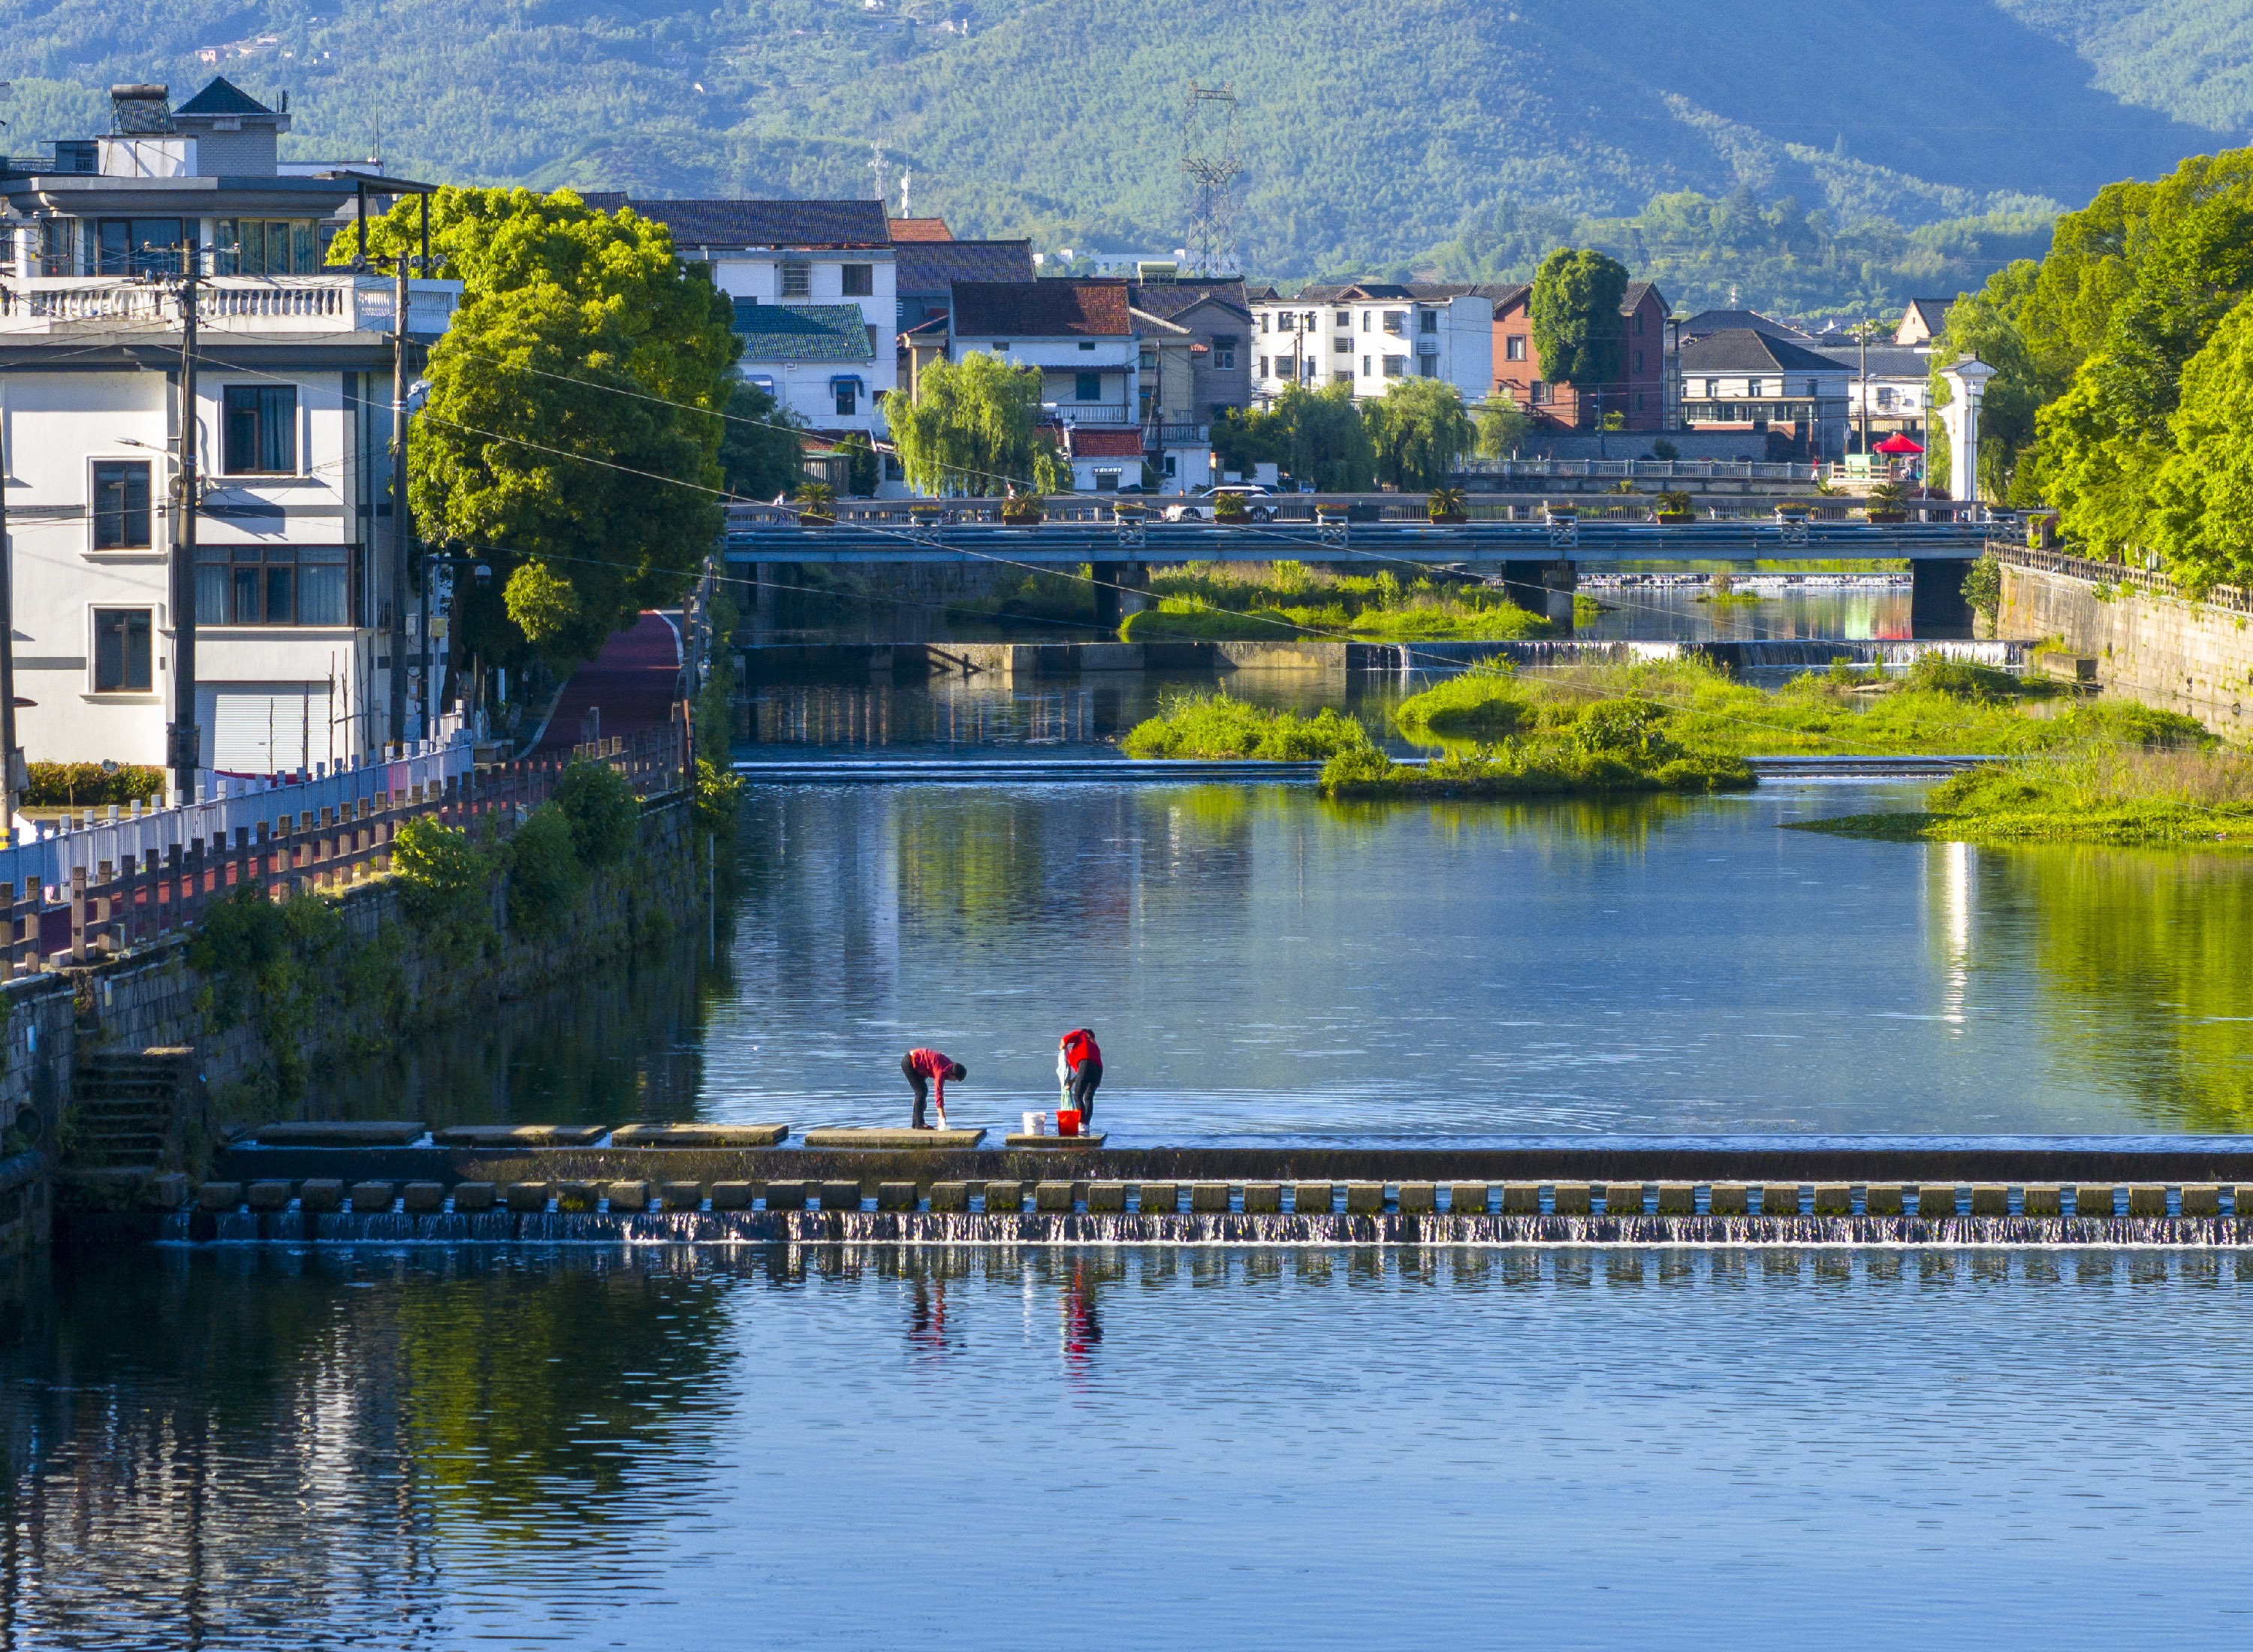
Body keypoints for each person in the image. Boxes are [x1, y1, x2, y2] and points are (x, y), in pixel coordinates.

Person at [902, 1048, 966, 1130]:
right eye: (955, 1079)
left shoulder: (948, 1066)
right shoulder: (941, 1071)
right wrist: (941, 1115)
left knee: (922, 1092)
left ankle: (916, 1124)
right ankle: (919, 1124)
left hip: (918, 1064)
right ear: (952, 1075)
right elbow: (938, 1092)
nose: (954, 1081)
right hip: (910, 1062)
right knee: (921, 1092)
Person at [1057, 1028, 1102, 1128]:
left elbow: (1065, 1039)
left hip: (1085, 1065)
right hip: (1098, 1071)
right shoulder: (1095, 1046)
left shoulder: (1082, 1034)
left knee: (1077, 1095)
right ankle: (1086, 1126)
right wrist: (1072, 1081)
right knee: (1088, 1097)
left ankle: (1081, 1123)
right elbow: (1087, 1070)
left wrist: (1062, 1047)